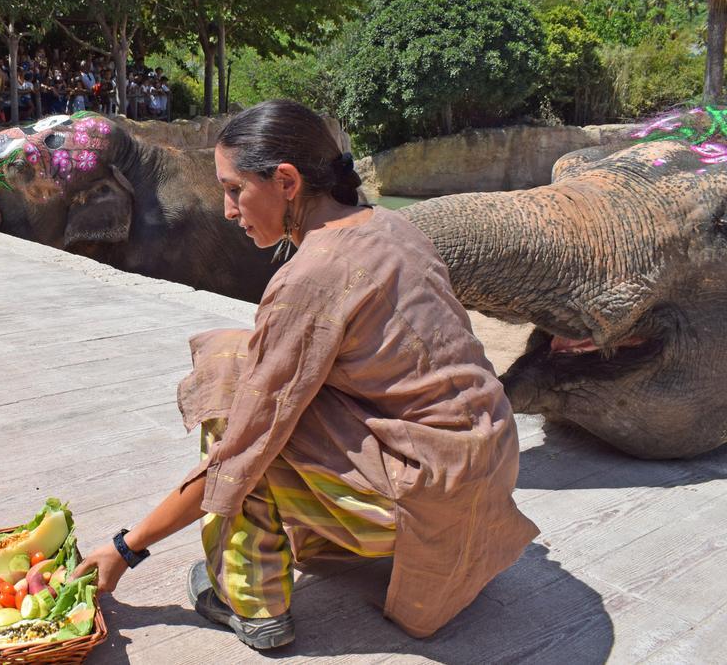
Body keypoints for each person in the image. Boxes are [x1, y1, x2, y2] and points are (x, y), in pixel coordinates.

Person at [73, 99, 539, 650]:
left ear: (287, 182)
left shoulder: (310, 276)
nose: (228, 210)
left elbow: (242, 450)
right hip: (487, 464)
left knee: (230, 389)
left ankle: (249, 599)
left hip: (427, 495)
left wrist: (126, 548)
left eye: (234, 189)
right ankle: (328, 539)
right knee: (251, 366)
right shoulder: (392, 226)